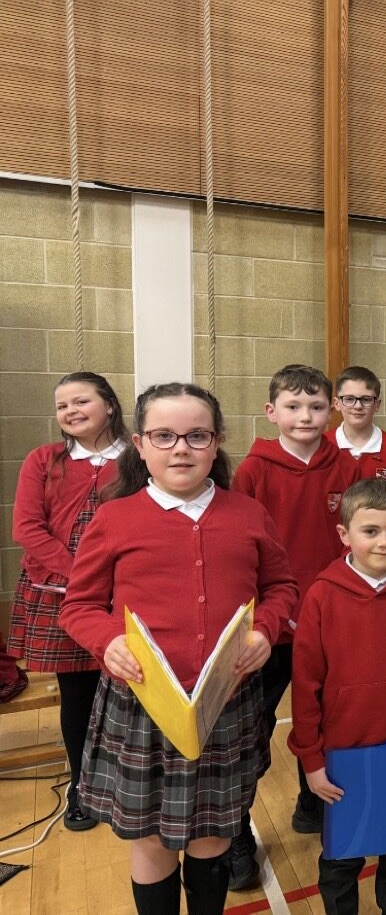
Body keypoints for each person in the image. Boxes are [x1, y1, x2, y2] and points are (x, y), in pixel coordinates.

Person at [59, 382, 297, 915]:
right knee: (149, 840)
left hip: (224, 700)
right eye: (164, 436)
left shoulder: (248, 514)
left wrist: (266, 630)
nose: (181, 448)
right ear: (140, 445)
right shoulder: (115, 518)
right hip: (143, 703)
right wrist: (107, 641)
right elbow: (79, 606)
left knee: (212, 835)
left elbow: (282, 587)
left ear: (217, 442)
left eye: (197, 435)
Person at [288, 479, 386, 915]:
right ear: (345, 534)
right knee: (342, 856)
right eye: (371, 531)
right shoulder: (322, 595)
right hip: (344, 753)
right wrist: (312, 762)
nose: (384, 541)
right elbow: (305, 687)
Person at [228, 364, 362, 888]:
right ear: (271, 412)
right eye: (293, 406)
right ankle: (236, 830)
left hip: (331, 623)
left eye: (316, 406)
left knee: (327, 719)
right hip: (270, 627)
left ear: (332, 411)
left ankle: (313, 800)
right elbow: (243, 552)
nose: (305, 416)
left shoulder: (347, 468)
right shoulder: (252, 472)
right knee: (251, 728)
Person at [10, 371, 127, 829]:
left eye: (81, 401)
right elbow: (27, 528)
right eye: (62, 406)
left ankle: (124, 782)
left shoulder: (137, 459)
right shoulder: (44, 460)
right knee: (77, 694)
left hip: (124, 592)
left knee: (125, 691)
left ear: (109, 405)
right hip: (61, 592)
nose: (70, 411)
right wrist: (83, 575)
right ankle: (81, 785)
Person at [332, 365, 386, 479]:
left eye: (366, 399)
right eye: (349, 399)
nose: (358, 406)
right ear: (337, 403)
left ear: (377, 405)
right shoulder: (321, 445)